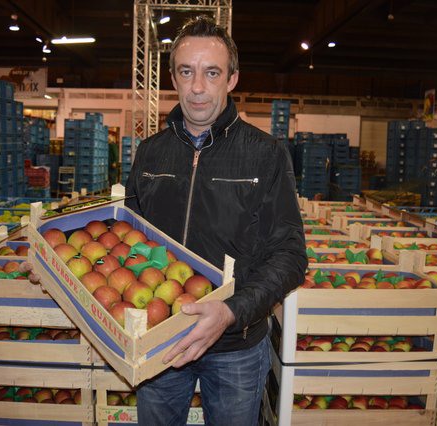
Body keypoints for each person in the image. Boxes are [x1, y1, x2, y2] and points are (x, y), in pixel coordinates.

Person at [124, 15, 307, 426]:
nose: (197, 87)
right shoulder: (150, 153)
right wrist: (62, 266)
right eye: (186, 72)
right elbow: (126, 235)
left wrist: (230, 311)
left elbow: (291, 254)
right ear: (173, 77)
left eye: (211, 73)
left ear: (232, 79)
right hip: (160, 337)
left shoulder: (265, 154)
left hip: (235, 346)